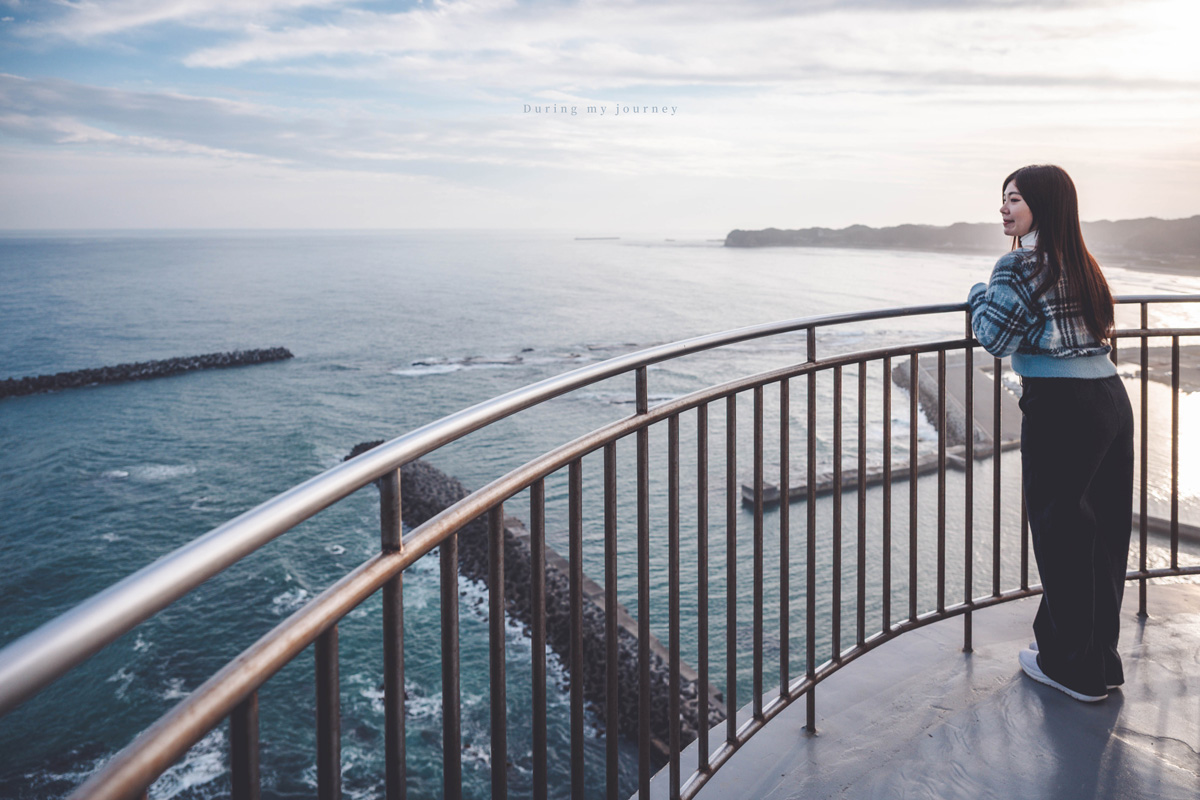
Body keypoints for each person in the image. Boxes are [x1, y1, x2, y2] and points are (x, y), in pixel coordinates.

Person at [968, 164, 1134, 703]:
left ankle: (1072, 668)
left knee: (1061, 535)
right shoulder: (1082, 263)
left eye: (1013, 199)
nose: (1003, 208)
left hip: (1063, 409)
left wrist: (976, 293)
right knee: (1104, 535)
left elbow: (992, 336)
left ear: (1042, 204)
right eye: (1003, 199)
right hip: (1110, 400)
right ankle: (1100, 660)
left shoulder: (1017, 265)